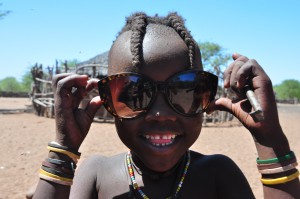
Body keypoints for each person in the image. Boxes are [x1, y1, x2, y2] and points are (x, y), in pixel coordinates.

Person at [32, 12, 300, 199]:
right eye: (135, 94)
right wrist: (63, 151)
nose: (160, 114)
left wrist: (269, 139)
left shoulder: (219, 174)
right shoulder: (97, 174)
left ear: (204, 97)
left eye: (184, 91)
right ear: (108, 101)